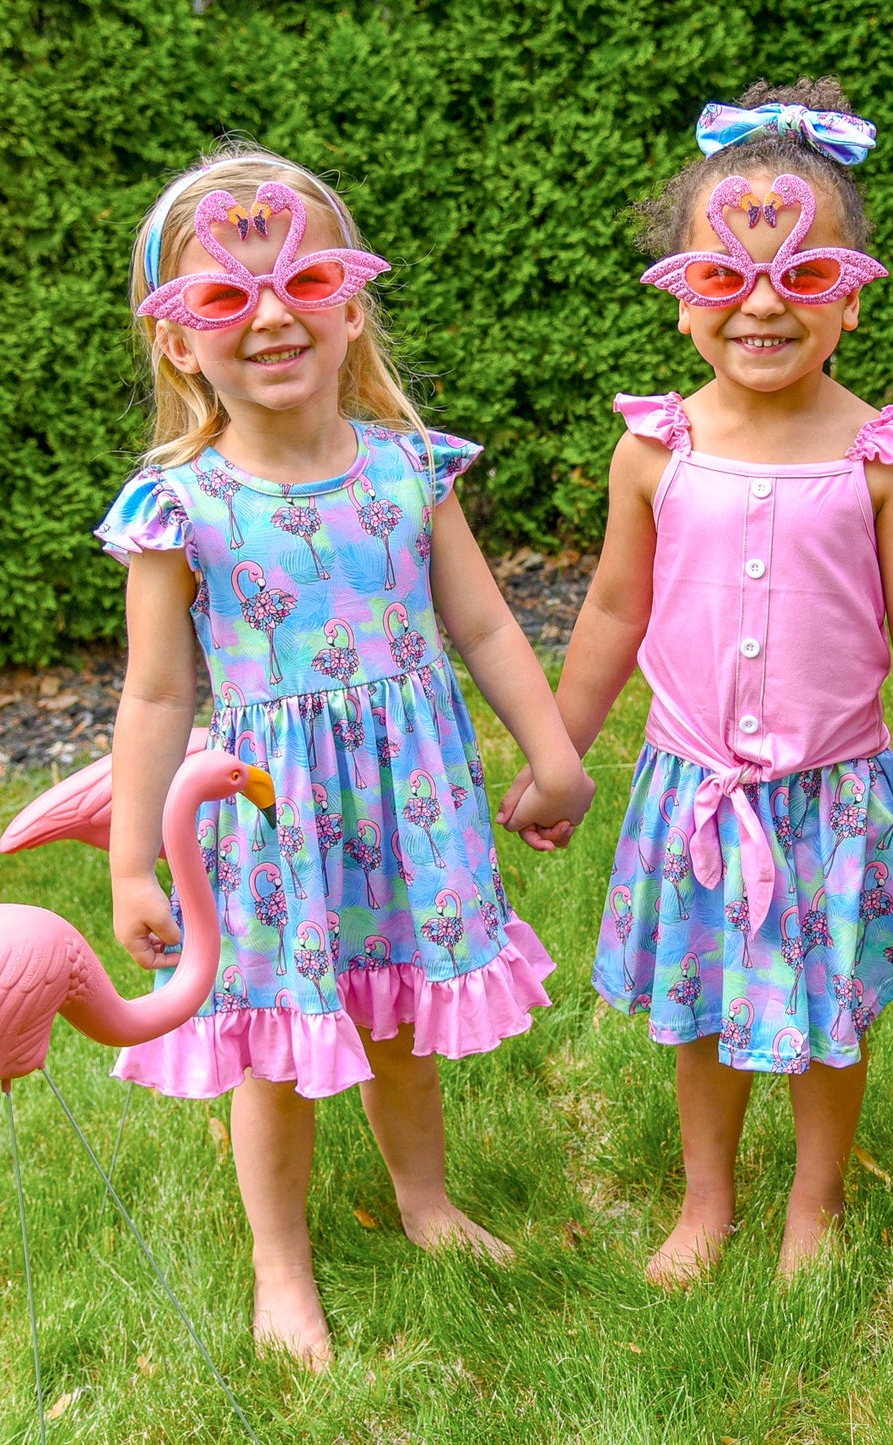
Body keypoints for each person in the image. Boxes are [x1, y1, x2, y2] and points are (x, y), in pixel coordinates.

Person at [98, 144, 593, 1368]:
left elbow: (479, 621)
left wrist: (554, 752)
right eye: (222, 297)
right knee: (273, 1045)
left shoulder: (405, 468)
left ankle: (423, 1203)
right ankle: (280, 1263)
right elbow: (159, 692)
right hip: (270, 822)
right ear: (177, 339)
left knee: (396, 1020)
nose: (270, 317)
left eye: (303, 282)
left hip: (408, 800)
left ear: (350, 301)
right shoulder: (183, 505)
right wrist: (130, 863)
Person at [500, 79, 893, 1282]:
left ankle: (813, 1204)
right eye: (721, 279)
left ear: (850, 301)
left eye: (802, 277)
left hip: (831, 792)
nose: (762, 305)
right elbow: (614, 606)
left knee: (833, 1016)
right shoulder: (655, 447)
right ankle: (706, 1202)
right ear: (681, 306)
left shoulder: (883, 454)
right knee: (704, 1011)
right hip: (695, 794)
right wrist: (558, 755)